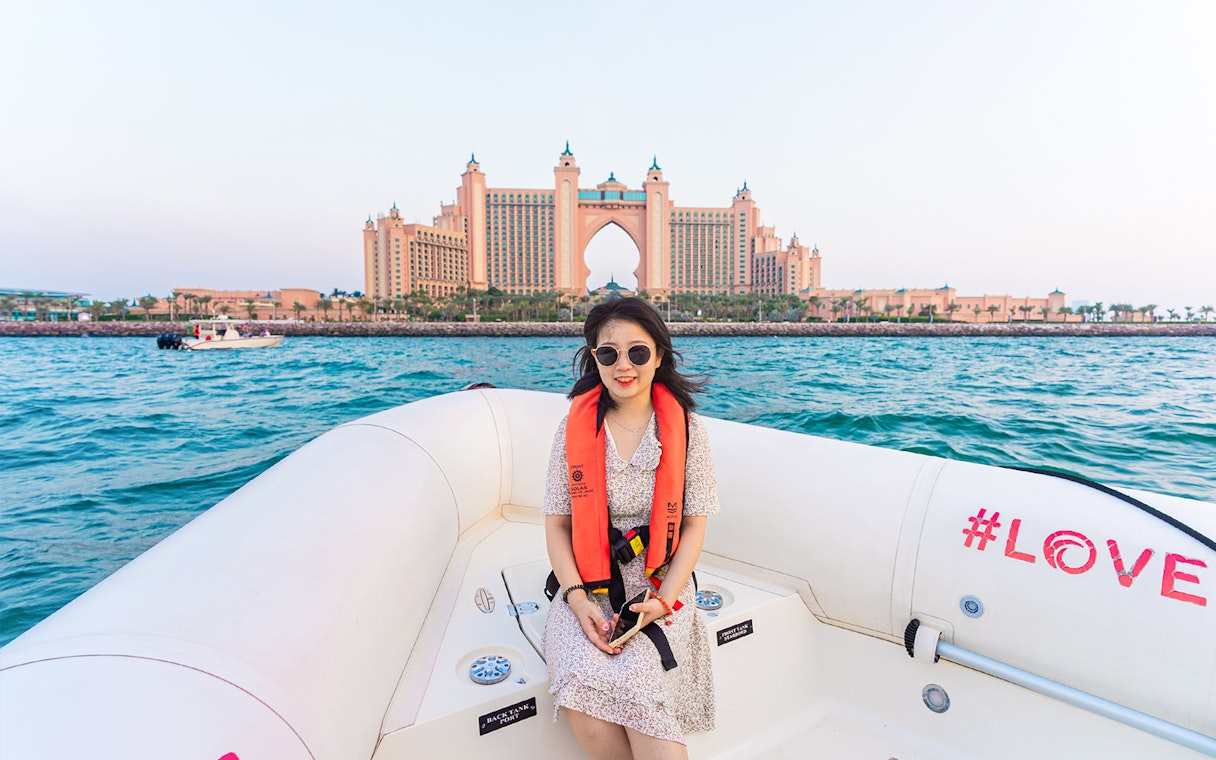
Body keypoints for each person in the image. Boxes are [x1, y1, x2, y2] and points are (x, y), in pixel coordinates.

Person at [543, 296, 719, 760]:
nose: (624, 365)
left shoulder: (687, 431)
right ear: (594, 359)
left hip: (661, 586)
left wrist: (662, 602)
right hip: (588, 588)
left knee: (641, 684)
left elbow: (694, 528)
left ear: (659, 356)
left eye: (637, 352)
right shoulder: (571, 429)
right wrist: (578, 601)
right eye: (609, 353)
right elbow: (558, 527)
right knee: (583, 696)